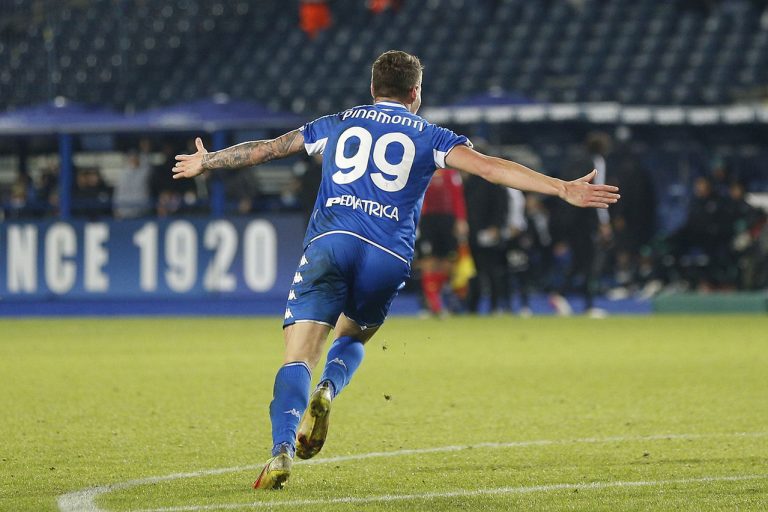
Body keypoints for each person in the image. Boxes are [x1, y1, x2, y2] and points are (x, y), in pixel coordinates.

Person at [172, 50, 620, 490]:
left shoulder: (338, 122)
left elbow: (268, 150)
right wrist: (560, 187)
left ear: (373, 87)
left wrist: (208, 161)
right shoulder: (432, 135)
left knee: (299, 354)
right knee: (353, 336)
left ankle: (283, 449)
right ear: (415, 93)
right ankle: (329, 387)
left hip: (331, 242)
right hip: (387, 255)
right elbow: (489, 168)